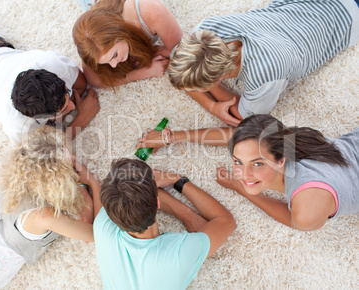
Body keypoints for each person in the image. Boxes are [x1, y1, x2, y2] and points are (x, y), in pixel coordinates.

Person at [168, 0, 359, 127]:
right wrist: (210, 104)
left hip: (349, 17)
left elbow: (243, 116)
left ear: (219, 78)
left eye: (200, 87)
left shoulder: (265, 75)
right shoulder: (206, 29)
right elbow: (176, 57)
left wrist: (213, 105)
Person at [0, 126, 100, 289]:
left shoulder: (20, 174)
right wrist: (92, 182)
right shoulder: (44, 215)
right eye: (69, 162)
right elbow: (94, 234)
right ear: (56, 179)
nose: (74, 158)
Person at [93, 158, 235, 289]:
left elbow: (126, 196)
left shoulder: (101, 226)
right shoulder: (178, 255)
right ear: (158, 202)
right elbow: (226, 221)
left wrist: (186, 215)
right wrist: (177, 180)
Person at [0, 19, 100, 145]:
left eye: (67, 93)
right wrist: (82, 119)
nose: (73, 105)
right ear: (34, 118)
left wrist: (60, 115)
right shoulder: (17, 126)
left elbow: (81, 83)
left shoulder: (51, 64)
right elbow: (39, 154)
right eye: (63, 109)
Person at [216, 114, 359, 231]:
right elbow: (239, 139)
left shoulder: (307, 208)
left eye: (258, 164)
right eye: (238, 162)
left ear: (281, 160)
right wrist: (192, 135)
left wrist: (239, 187)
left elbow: (294, 221)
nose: (245, 175)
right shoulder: (283, 141)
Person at [73, 0, 183, 87]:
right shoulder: (90, 35)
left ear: (120, 33)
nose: (114, 65)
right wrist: (137, 75)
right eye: (106, 62)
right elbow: (93, 79)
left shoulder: (149, 10)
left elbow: (179, 49)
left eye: (114, 55)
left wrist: (149, 54)